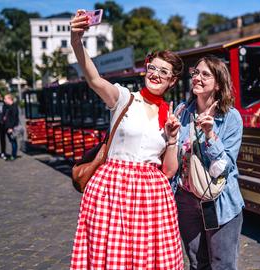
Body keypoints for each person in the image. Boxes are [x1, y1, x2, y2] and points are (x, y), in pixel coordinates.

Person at [69, 10, 184, 269]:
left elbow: (168, 171)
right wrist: (77, 41)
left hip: (152, 196)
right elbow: (94, 78)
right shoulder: (124, 98)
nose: (154, 74)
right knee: (112, 259)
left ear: (172, 81)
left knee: (147, 261)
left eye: (163, 72)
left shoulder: (170, 116)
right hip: (113, 189)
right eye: (151, 68)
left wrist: (173, 138)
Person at [172, 55, 244, 270]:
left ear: (219, 83)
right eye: (195, 73)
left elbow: (225, 166)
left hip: (218, 201)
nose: (197, 78)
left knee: (222, 264)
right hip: (186, 200)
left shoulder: (231, 118)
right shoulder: (182, 112)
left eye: (205, 74)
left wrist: (211, 135)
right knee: (197, 263)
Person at [2, 94, 20, 161]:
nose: (4, 100)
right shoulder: (8, 106)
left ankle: (13, 155)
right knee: (12, 141)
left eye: (5, 99)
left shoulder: (14, 106)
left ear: (9, 99)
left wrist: (11, 128)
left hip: (11, 127)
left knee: (13, 141)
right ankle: (13, 155)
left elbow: (14, 118)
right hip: (7, 126)